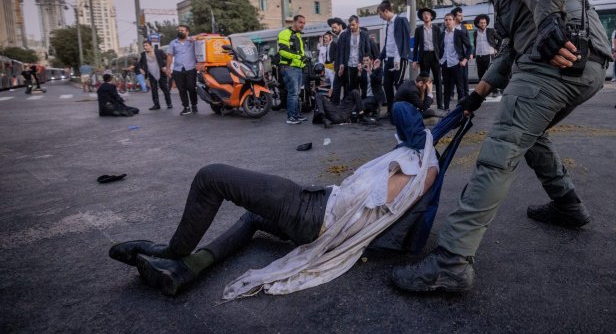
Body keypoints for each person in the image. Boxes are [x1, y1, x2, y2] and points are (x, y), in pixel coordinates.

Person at [392, 0, 611, 292]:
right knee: (531, 136)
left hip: (551, 67)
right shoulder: (511, 2)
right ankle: (568, 205)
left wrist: (550, 26)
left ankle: (451, 263)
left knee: (498, 155)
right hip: (587, 71)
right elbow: (508, 54)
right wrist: (474, 98)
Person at [108, 102, 437, 298]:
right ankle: (187, 270)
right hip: (317, 217)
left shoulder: (416, 162)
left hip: (311, 212)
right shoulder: (421, 167)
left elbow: (402, 109)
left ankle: (169, 253)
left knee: (211, 177)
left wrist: (416, 126)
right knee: (252, 217)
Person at [378, 0, 411, 114]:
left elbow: (404, 41)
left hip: (399, 59)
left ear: (386, 11)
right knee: (387, 85)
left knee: (399, 84)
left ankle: (405, 109)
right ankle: (391, 110)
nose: (381, 17)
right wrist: (380, 58)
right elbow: (388, 43)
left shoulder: (401, 20)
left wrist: (399, 58)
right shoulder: (388, 24)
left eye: (381, 14)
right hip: (388, 59)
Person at [413, 7, 444, 110]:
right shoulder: (418, 30)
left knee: (438, 81)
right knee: (424, 81)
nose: (426, 15)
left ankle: (440, 104)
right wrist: (415, 60)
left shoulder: (436, 28)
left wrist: (440, 56)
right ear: (422, 17)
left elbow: (441, 44)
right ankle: (425, 104)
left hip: (434, 56)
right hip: (424, 57)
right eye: (424, 14)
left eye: (428, 14)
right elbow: (416, 46)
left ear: (431, 17)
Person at [279, 15, 308, 125]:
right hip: (289, 67)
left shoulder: (298, 35)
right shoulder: (285, 33)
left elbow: (299, 52)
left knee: (297, 93)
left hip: (297, 67)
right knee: (293, 93)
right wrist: (299, 57)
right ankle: (291, 117)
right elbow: (282, 51)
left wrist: (303, 59)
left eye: (304, 23)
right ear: (294, 22)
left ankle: (295, 115)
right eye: (300, 22)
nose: (302, 25)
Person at [440, 12, 470, 111]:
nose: (448, 21)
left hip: (457, 63)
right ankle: (446, 109)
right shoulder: (442, 34)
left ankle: (461, 109)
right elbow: (439, 49)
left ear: (454, 21)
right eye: (446, 20)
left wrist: (465, 59)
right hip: (445, 63)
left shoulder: (459, 33)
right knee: (447, 89)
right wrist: (440, 61)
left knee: (460, 88)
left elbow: (469, 47)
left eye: (450, 19)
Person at [166, 25, 198, 116]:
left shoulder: (192, 41)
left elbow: (203, 37)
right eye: (179, 30)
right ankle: (186, 107)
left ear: (187, 32)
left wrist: (196, 37)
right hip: (177, 70)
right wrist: (168, 68)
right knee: (182, 90)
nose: (180, 32)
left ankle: (194, 105)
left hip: (190, 68)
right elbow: (170, 56)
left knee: (191, 88)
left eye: (182, 30)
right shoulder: (173, 43)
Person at [336, 15, 371, 96]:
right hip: (349, 64)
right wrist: (341, 63)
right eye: (350, 25)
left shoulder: (364, 34)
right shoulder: (346, 34)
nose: (351, 27)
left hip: (360, 65)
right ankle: (354, 105)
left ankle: (363, 104)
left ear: (358, 23)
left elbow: (368, 50)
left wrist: (364, 63)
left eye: (353, 25)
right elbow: (343, 51)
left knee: (363, 85)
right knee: (352, 87)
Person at [471, 14, 501, 97]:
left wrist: (496, 48)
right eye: (481, 23)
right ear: (477, 24)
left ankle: (495, 91)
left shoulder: (490, 31)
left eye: (485, 23)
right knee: (481, 75)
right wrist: (474, 54)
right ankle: (482, 93)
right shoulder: (475, 33)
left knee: (490, 74)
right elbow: (475, 44)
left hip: (489, 55)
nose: (483, 24)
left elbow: (500, 39)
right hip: (479, 56)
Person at [138, 40, 172, 110]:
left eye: (146, 45)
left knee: (165, 88)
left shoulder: (158, 52)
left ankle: (169, 104)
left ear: (151, 46)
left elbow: (167, 58)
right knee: (154, 90)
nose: (145, 47)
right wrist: (141, 69)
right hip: (151, 74)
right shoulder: (143, 55)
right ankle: (156, 105)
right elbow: (140, 64)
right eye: (144, 46)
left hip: (160, 72)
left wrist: (165, 67)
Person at [451, 6, 472, 96]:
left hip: (463, 56)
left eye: (461, 15)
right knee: (452, 78)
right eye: (459, 15)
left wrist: (469, 53)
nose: (461, 17)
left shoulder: (464, 28)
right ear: (455, 17)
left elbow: (468, 41)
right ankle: (451, 93)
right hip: (452, 57)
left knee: (464, 77)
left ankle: (466, 95)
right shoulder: (450, 27)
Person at [327, 17, 347, 103]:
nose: (333, 30)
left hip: (343, 68)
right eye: (332, 28)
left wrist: (341, 66)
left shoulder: (344, 36)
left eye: (335, 27)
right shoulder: (339, 37)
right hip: (339, 67)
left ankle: (336, 106)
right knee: (339, 87)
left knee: (337, 87)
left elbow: (344, 53)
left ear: (340, 26)